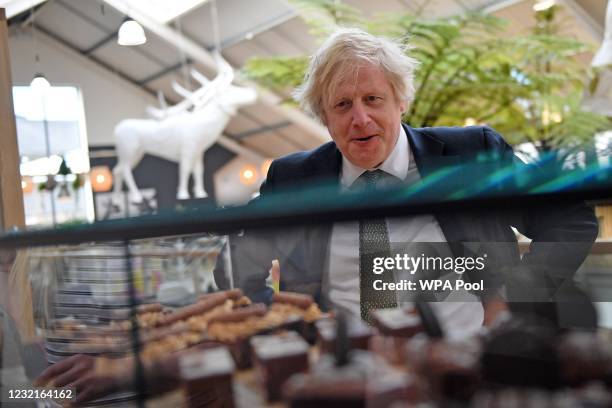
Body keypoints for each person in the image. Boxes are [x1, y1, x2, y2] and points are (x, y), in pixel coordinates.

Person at [217, 27, 599, 338]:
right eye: (343, 105)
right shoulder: (293, 180)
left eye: (373, 98)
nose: (361, 119)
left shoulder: (472, 154)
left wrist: (513, 298)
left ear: (401, 101)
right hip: (348, 375)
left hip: (470, 358)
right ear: (325, 118)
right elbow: (233, 264)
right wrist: (286, 326)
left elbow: (570, 220)